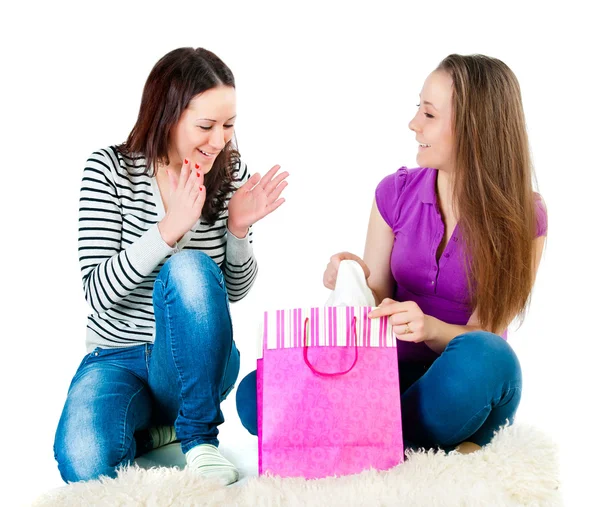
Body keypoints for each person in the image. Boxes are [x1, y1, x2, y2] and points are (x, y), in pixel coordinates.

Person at [236, 54, 547, 455]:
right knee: (253, 395)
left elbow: (487, 330)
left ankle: (360, 434)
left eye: (429, 114)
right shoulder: (394, 193)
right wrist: (349, 275)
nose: (414, 124)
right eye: (418, 108)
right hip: (385, 375)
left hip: (457, 381)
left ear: (476, 129)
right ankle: (400, 439)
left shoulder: (525, 217)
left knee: (487, 356)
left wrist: (430, 328)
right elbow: (376, 297)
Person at [54, 47, 288, 486]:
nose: (219, 141)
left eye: (228, 125)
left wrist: (237, 230)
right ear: (167, 114)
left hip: (197, 361)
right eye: (206, 126)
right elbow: (97, 293)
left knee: (189, 268)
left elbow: (231, 291)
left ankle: (198, 437)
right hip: (117, 358)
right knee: (85, 464)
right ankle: (159, 431)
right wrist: (165, 231)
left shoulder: (229, 174)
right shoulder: (109, 169)